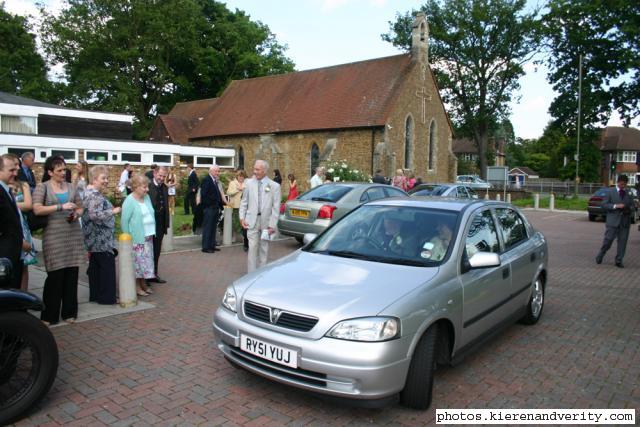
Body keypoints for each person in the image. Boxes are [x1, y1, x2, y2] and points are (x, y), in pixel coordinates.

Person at [32, 156, 84, 325]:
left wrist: (77, 213)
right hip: (54, 236)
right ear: (49, 172)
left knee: (71, 275)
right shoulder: (43, 187)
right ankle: (49, 315)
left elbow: (80, 206)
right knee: (55, 276)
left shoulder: (71, 186)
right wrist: (60, 207)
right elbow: (37, 209)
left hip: (72, 235)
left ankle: (69, 312)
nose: (63, 173)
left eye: (64, 170)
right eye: (59, 170)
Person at [82, 166, 121, 304]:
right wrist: (113, 211)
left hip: (93, 240)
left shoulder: (87, 192)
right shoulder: (95, 195)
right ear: (94, 179)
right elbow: (95, 215)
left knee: (95, 269)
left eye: (106, 178)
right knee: (106, 270)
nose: (106, 181)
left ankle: (96, 295)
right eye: (103, 178)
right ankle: (106, 298)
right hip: (101, 240)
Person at [240, 160, 281, 273]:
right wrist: (242, 218)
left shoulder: (274, 186)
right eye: (254, 169)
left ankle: (261, 275)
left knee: (264, 249)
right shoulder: (248, 183)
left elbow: (276, 208)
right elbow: (244, 202)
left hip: (266, 223)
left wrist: (272, 225)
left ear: (264, 171)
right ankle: (251, 275)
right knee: (252, 249)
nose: (255, 172)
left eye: (257, 170)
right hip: (251, 221)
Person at [121, 175, 154, 296]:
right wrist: (127, 239)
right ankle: (136, 286)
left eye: (147, 187)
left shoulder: (147, 198)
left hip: (148, 236)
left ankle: (143, 283)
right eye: (144, 187)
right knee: (137, 264)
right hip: (136, 238)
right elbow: (124, 221)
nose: (147, 190)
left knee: (146, 263)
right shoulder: (129, 200)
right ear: (135, 187)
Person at [595, 175, 636, 268]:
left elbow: (633, 206)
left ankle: (619, 260)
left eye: (625, 184)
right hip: (612, 221)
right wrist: (615, 206)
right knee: (608, 240)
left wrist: (629, 208)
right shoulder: (610, 192)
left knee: (622, 242)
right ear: (618, 182)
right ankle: (601, 254)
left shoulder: (629, 193)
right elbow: (604, 205)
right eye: (622, 184)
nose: (623, 186)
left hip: (624, 222)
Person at [0, 154, 24, 288]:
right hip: (4, 254)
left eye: (16, 170)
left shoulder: (6, 189)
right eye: (11, 170)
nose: (15, 174)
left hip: (13, 252)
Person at [11, 168, 37, 290]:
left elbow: (28, 205)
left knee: (24, 266)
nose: (15, 169)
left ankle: (23, 296)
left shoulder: (23, 185)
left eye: (17, 165)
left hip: (22, 227)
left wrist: (9, 203)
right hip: (8, 228)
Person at [147, 166, 169, 283]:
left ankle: (154, 273)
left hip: (160, 224)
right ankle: (146, 276)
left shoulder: (164, 187)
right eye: (160, 175)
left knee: (157, 250)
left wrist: (166, 223)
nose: (161, 178)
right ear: (155, 174)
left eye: (164, 176)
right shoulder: (148, 187)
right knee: (148, 250)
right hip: (149, 224)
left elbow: (166, 206)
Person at [201, 165, 227, 253]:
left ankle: (211, 245)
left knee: (213, 228)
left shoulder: (214, 181)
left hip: (215, 208)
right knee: (208, 227)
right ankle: (206, 247)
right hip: (209, 208)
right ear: (211, 171)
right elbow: (204, 195)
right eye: (216, 171)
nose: (218, 173)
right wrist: (210, 204)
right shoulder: (206, 180)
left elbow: (217, 194)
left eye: (218, 171)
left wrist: (220, 205)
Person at [227, 170, 249, 251]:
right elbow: (229, 193)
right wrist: (238, 190)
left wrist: (243, 188)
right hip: (235, 205)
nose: (241, 178)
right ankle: (235, 236)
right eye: (240, 177)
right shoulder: (232, 183)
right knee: (236, 222)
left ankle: (244, 237)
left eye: (243, 177)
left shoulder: (246, 184)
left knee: (243, 222)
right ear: (237, 176)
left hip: (244, 207)